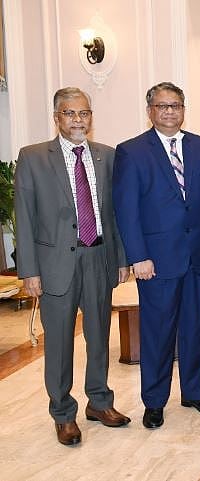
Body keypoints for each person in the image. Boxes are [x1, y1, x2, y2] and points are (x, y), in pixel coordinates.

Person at [14, 87, 131, 445]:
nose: (78, 120)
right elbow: (25, 217)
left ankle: (99, 402)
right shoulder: (33, 157)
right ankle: (63, 413)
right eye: (70, 113)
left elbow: (116, 214)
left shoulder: (107, 157)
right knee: (60, 343)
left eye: (84, 113)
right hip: (54, 265)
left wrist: (122, 259)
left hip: (98, 257)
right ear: (57, 117)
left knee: (99, 336)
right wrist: (29, 271)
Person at [113, 82, 200, 429]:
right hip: (156, 261)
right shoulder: (132, 151)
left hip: (196, 257)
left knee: (194, 328)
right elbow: (126, 210)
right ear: (150, 111)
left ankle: (194, 392)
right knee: (158, 332)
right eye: (162, 106)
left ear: (183, 109)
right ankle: (155, 401)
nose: (169, 112)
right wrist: (138, 256)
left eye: (175, 105)